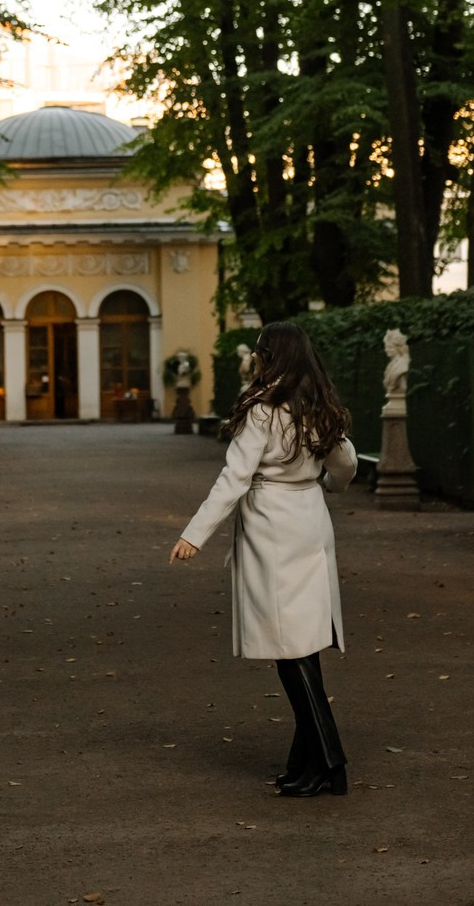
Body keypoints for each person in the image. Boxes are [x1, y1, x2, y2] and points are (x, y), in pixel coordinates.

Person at [169, 321, 357, 797]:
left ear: (270, 356)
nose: (254, 358)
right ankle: (307, 763)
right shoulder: (318, 405)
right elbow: (346, 463)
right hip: (309, 522)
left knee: (290, 650)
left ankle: (330, 762)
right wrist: (328, 486)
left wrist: (195, 534)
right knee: (302, 647)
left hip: (272, 526)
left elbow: (233, 477)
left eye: (258, 352)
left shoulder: (263, 410)